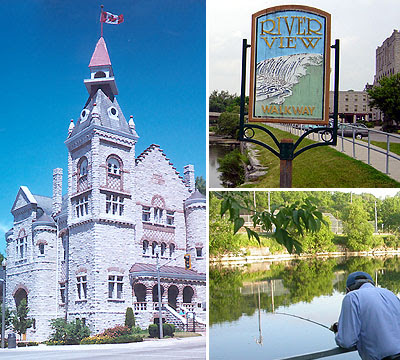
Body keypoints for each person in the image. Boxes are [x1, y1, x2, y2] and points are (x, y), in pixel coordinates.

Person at [332, 271, 400, 360]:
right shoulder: (390, 294)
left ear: (347, 290)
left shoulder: (352, 297)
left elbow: (346, 341)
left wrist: (337, 332)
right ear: (371, 283)